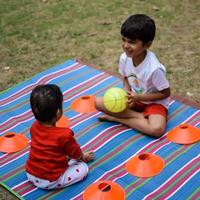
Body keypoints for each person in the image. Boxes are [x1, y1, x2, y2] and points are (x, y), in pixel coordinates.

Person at [95, 14, 171, 138]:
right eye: (123, 39)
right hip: (134, 99)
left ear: (147, 45)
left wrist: (139, 97)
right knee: (98, 103)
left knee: (157, 129)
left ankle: (118, 119)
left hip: (154, 103)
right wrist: (126, 91)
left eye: (131, 42)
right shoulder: (124, 57)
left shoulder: (154, 69)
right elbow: (125, 77)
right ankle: (141, 118)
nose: (125, 45)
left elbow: (166, 93)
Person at [25, 84, 94, 189]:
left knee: (60, 155)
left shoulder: (34, 127)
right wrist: (83, 158)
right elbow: (75, 153)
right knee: (83, 169)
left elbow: (46, 148)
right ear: (58, 112)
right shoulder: (64, 135)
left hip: (30, 173)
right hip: (50, 180)